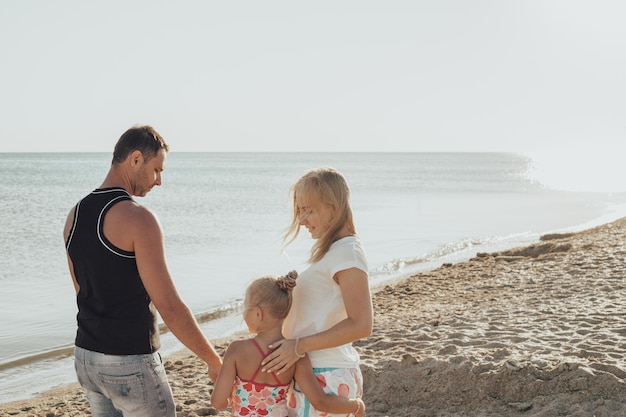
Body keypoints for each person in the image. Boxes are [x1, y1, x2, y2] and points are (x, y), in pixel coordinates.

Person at [63, 125, 222, 417]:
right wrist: (213, 360)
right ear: (135, 159)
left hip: (86, 358)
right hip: (130, 362)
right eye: (157, 170)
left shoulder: (74, 215)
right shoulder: (139, 219)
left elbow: (81, 292)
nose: (159, 181)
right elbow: (169, 305)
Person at [260, 167, 373, 416]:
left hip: (326, 374)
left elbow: (362, 324)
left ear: (333, 207)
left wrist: (298, 346)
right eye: (300, 211)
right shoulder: (336, 252)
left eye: (308, 210)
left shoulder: (348, 253)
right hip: (316, 372)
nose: (301, 221)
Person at [211, 271, 365, 417]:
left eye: (245, 308)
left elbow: (218, 402)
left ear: (258, 313)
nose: (243, 314)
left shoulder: (237, 350)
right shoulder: (296, 356)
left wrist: (235, 396)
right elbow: (320, 402)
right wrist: (357, 406)